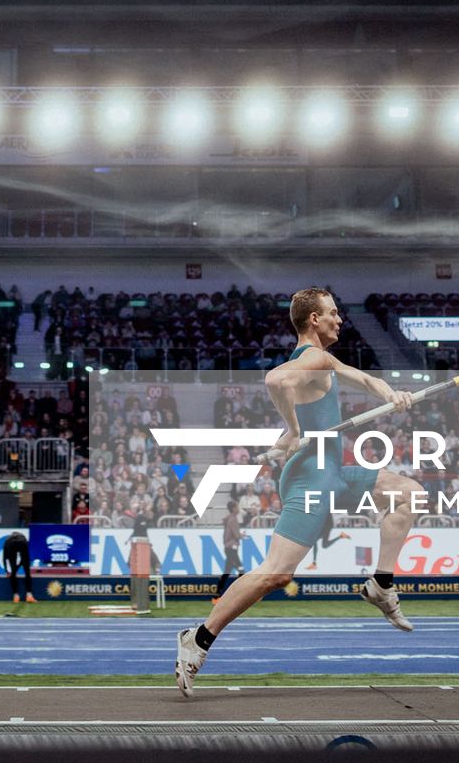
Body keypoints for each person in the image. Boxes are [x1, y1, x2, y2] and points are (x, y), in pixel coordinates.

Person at [177, 287, 424, 697]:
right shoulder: (314, 357)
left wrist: (392, 396)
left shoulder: (323, 361)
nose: (339, 319)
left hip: (335, 473)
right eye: (332, 312)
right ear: (313, 319)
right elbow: (275, 380)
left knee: (408, 493)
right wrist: (292, 430)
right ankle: (197, 638)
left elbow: (365, 378)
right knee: (276, 573)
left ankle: (380, 582)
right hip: (313, 476)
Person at [214, 498, 242, 601]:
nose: (239, 508)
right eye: (237, 506)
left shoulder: (228, 518)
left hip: (228, 548)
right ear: (233, 508)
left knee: (227, 572)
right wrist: (241, 535)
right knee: (241, 571)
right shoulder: (233, 519)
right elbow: (236, 535)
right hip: (232, 549)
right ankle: (244, 595)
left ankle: (216, 595)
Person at [1, 528, 35, 603]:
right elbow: (27, 555)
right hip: (22, 547)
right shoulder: (23, 539)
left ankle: (16, 595)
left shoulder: (7, 541)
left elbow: (5, 557)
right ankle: (29, 595)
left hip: (13, 548)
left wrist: (7, 571)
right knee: (27, 572)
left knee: (13, 573)